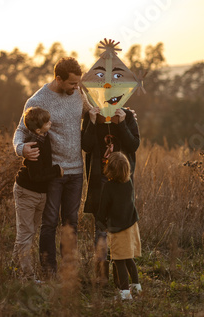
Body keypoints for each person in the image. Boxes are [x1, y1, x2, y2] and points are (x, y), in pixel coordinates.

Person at [13, 57, 87, 277]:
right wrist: (21, 148)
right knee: (50, 222)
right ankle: (49, 271)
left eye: (78, 83)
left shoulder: (78, 94)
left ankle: (69, 270)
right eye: (72, 84)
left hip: (76, 171)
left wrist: (126, 114)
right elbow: (20, 130)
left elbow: (94, 112)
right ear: (58, 79)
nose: (77, 88)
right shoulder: (38, 99)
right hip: (54, 172)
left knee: (71, 221)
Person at [81, 105, 140, 284]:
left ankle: (119, 276)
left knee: (120, 224)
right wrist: (91, 122)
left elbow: (133, 145)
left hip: (122, 180)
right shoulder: (91, 115)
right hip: (99, 178)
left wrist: (122, 123)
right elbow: (86, 146)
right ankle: (101, 276)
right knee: (101, 225)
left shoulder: (127, 115)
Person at [12, 107, 64, 280]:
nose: (51, 123)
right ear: (37, 129)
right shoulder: (33, 146)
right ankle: (27, 276)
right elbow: (37, 176)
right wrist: (56, 170)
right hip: (27, 192)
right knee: (25, 234)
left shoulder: (44, 136)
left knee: (29, 232)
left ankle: (14, 270)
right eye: (47, 122)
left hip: (40, 194)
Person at [95, 151, 142, 300]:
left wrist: (100, 221)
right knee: (129, 258)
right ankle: (136, 287)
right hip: (131, 226)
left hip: (118, 229)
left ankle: (124, 294)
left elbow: (103, 208)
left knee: (119, 260)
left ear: (110, 169)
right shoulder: (129, 182)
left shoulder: (109, 186)